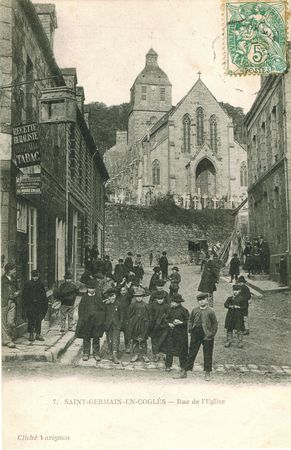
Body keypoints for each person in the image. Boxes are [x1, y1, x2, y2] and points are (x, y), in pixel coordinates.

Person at [175, 292, 218, 381]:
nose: (201, 302)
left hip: (207, 334)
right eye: (199, 300)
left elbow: (215, 324)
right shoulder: (195, 310)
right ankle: (185, 371)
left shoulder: (211, 311)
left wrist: (211, 334)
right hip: (196, 333)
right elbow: (190, 320)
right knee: (191, 353)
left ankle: (207, 373)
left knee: (207, 353)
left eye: (203, 300)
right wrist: (190, 329)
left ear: (207, 300)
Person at [75, 279, 105, 361]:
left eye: (93, 288)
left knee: (96, 337)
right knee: (86, 337)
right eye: (90, 288)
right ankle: (86, 353)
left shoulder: (98, 298)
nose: (91, 290)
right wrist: (83, 318)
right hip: (87, 322)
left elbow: (102, 309)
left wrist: (99, 319)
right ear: (87, 288)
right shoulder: (84, 298)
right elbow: (80, 310)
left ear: (95, 289)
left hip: (96, 322)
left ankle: (96, 353)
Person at [164, 293, 189, 372]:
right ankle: (168, 366)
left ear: (178, 302)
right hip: (171, 333)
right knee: (169, 350)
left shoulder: (184, 310)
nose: (171, 303)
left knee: (182, 351)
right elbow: (166, 319)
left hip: (181, 334)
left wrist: (180, 322)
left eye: (172, 302)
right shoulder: (170, 310)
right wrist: (169, 323)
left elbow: (189, 321)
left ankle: (183, 366)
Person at [22, 269, 48, 342]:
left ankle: (38, 334)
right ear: (31, 276)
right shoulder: (28, 284)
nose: (35, 278)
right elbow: (24, 295)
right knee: (31, 320)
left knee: (39, 319)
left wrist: (44, 304)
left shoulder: (41, 284)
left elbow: (43, 295)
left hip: (39, 305)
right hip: (31, 305)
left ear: (38, 276)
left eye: (36, 276)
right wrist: (26, 306)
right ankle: (31, 334)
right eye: (34, 276)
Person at [127, 287, 150, 363]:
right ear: (135, 297)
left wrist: (146, 323)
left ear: (143, 297)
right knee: (135, 340)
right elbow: (129, 315)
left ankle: (144, 355)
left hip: (143, 325)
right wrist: (132, 322)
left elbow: (149, 316)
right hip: (135, 325)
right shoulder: (132, 305)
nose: (139, 298)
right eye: (137, 297)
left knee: (143, 340)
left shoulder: (146, 305)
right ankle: (135, 355)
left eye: (140, 296)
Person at [1, 262, 20, 348]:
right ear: (9, 270)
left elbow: (18, 289)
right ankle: (7, 340)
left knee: (10, 323)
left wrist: (16, 293)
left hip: (12, 302)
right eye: (14, 269)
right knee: (3, 323)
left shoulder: (14, 279)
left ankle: (8, 338)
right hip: (4, 302)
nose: (15, 271)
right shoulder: (2, 279)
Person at [224, 284, 247, 349]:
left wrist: (239, 307)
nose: (235, 292)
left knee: (239, 328)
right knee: (229, 328)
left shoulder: (243, 299)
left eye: (237, 290)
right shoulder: (230, 298)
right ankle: (229, 340)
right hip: (230, 315)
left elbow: (245, 307)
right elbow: (225, 304)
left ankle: (240, 342)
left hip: (238, 316)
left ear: (239, 291)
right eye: (234, 290)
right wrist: (230, 306)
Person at [149, 291, 170, 362]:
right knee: (154, 340)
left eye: (161, 299)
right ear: (156, 299)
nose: (160, 300)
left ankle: (163, 354)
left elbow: (169, 316)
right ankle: (156, 354)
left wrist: (165, 320)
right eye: (158, 299)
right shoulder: (152, 305)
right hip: (154, 326)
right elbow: (150, 315)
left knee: (163, 340)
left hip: (164, 326)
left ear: (164, 299)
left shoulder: (166, 306)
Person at [103, 287, 122, 364]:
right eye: (110, 296)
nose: (111, 298)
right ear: (108, 297)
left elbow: (122, 315)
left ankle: (115, 355)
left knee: (115, 339)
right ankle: (111, 352)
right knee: (109, 339)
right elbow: (103, 315)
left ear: (116, 296)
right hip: (108, 325)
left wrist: (120, 323)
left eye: (113, 296)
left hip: (116, 325)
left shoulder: (119, 304)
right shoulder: (105, 304)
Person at [117, 285, 132, 353]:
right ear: (119, 291)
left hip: (126, 317)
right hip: (119, 317)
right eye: (122, 290)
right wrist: (121, 283)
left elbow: (131, 293)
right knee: (117, 333)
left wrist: (128, 287)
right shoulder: (117, 297)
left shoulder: (128, 297)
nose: (123, 292)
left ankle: (127, 346)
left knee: (127, 334)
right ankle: (116, 347)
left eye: (124, 290)